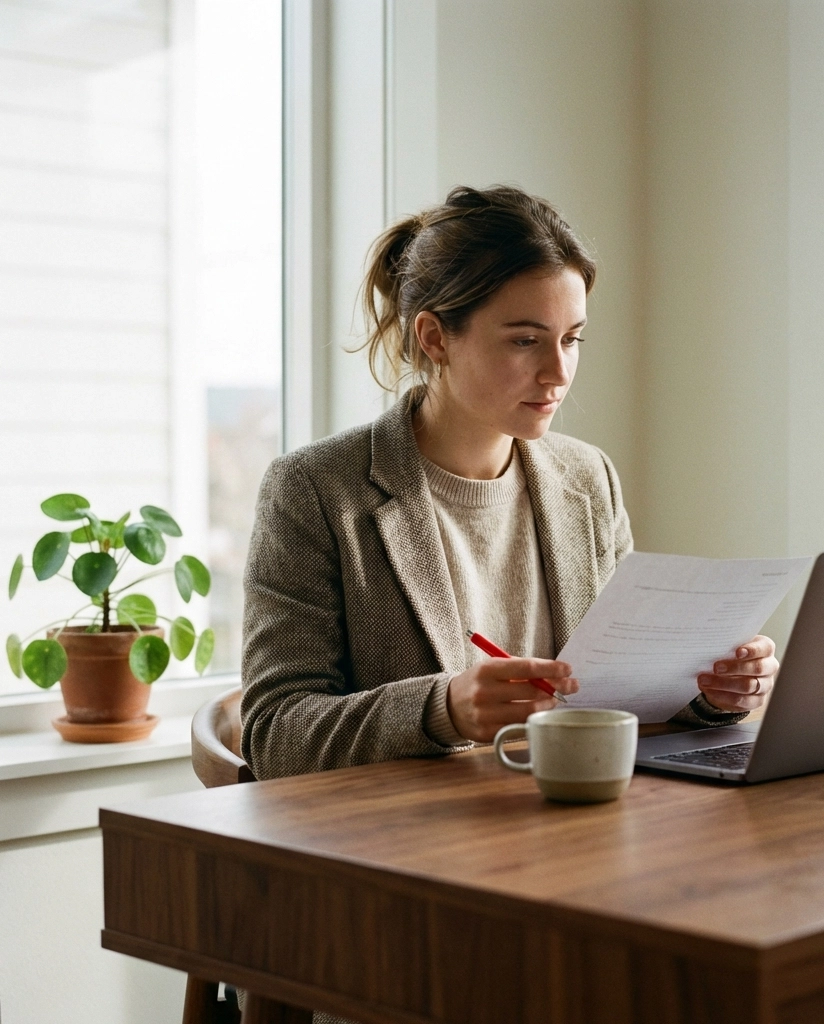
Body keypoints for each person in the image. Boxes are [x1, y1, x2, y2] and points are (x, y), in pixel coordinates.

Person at [240, 185, 778, 781]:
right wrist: (442, 709)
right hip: (412, 846)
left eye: (572, 339)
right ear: (435, 337)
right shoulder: (315, 489)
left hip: (578, 825)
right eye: (525, 340)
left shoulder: (587, 478)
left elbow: (622, 698)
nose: (558, 372)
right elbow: (274, 734)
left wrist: (712, 693)